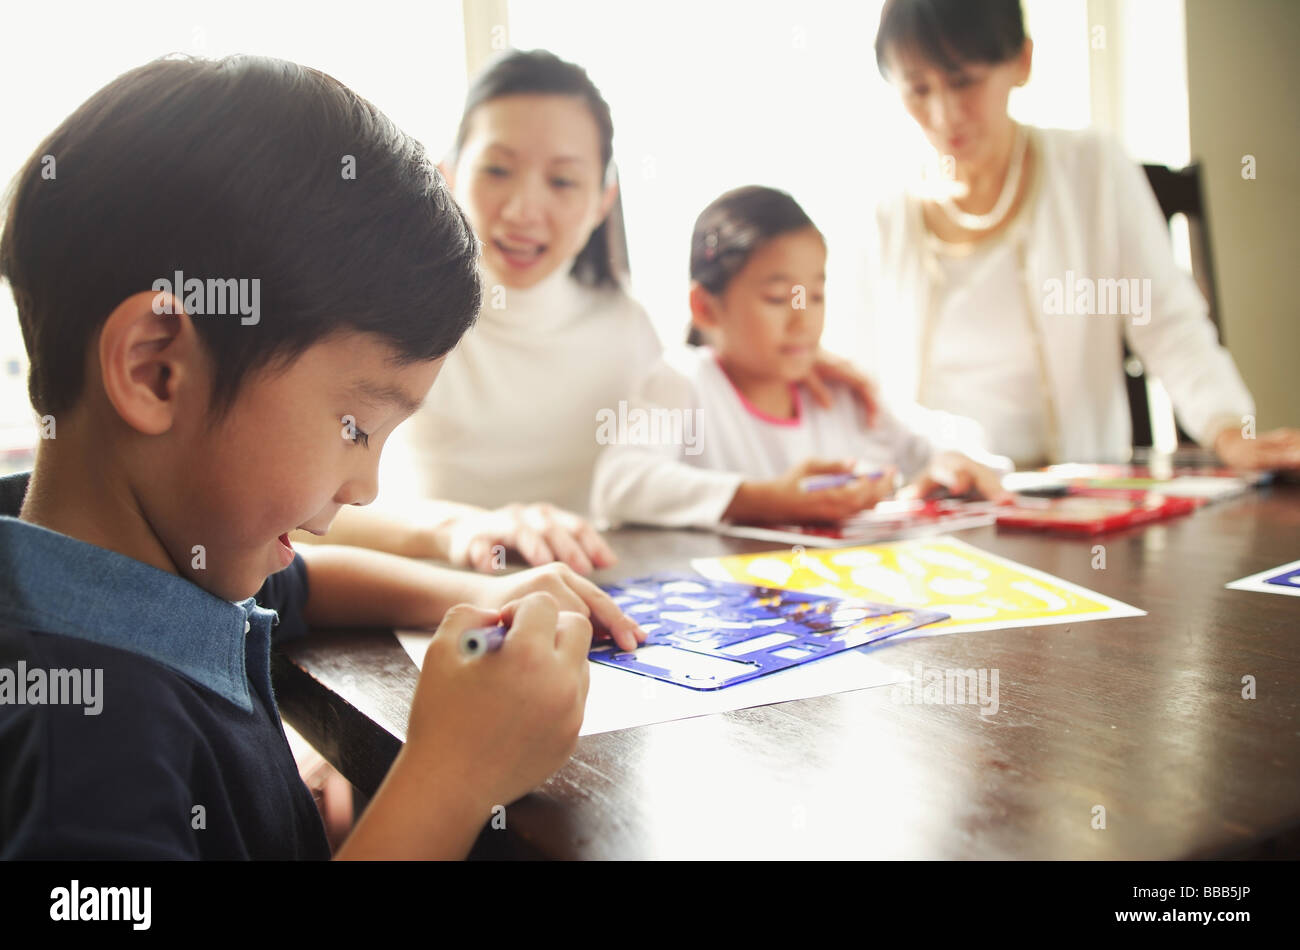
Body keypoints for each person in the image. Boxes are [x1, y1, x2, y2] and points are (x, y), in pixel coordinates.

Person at [0, 55, 643, 860]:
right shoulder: (89, 746)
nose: (369, 486)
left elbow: (305, 583)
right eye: (355, 427)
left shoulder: (113, 548)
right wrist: (450, 776)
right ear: (154, 369)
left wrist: (487, 590)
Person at [316, 49, 884, 572]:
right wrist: (461, 526)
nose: (523, 209)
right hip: (433, 599)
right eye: (497, 170)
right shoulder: (390, 323)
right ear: (448, 172)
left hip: (597, 595)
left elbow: (684, 447)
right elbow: (309, 512)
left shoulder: (626, 327)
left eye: (562, 180)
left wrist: (788, 363)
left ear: (601, 201)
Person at [862, 0, 1300, 471]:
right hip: (940, 495)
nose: (944, 115)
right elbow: (861, 378)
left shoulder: (1090, 167)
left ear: (1022, 62)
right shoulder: (887, 210)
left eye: (963, 81)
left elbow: (1169, 324)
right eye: (917, 89)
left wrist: (1230, 431)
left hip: (1073, 492)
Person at [590, 186, 1009, 528]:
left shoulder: (837, 393)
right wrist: (766, 499)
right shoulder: (685, 380)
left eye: (816, 295)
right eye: (778, 298)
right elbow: (619, 483)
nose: (803, 321)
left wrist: (950, 463)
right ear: (706, 308)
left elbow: (945, 438)